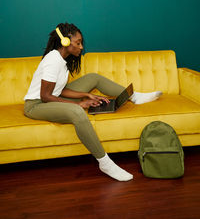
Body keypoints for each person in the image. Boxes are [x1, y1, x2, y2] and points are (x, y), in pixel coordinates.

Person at [24, 22, 162, 182]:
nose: (81, 47)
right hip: (36, 105)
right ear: (65, 42)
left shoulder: (62, 60)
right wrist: (78, 104)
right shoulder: (53, 60)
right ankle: (105, 162)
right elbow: (46, 96)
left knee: (93, 78)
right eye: (78, 43)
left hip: (48, 99)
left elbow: (59, 90)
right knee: (77, 112)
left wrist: (85, 95)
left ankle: (135, 97)